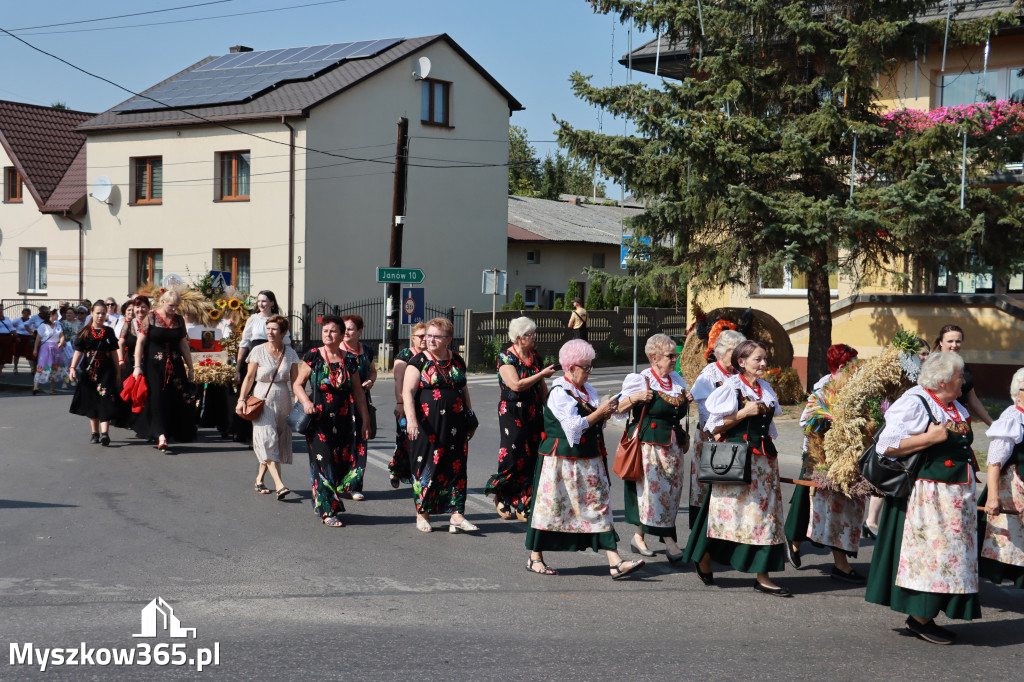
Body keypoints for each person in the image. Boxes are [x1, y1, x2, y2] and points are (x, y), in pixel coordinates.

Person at [864, 352, 979, 645]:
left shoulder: (952, 405)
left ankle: (929, 615)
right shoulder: (916, 402)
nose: (964, 380)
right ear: (941, 381)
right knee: (932, 557)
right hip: (929, 498)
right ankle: (920, 617)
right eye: (959, 376)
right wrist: (929, 439)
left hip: (955, 497)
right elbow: (887, 446)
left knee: (950, 557)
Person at [524, 339, 644, 578]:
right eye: (585, 367)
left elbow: (594, 422)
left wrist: (605, 413)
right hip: (561, 461)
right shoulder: (559, 393)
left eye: (591, 367)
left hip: (590, 458)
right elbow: (572, 427)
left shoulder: (587, 390)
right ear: (570, 368)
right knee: (551, 509)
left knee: (598, 506)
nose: (589, 372)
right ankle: (535, 557)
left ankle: (615, 561)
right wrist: (599, 412)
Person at [682, 340, 790, 596]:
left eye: (764, 359)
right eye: (757, 359)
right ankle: (704, 555)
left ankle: (762, 575)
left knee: (766, 517)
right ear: (741, 362)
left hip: (764, 464)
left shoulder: (766, 388)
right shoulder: (731, 387)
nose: (763, 364)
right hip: (737, 462)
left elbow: (769, 428)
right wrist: (743, 413)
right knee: (725, 515)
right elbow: (713, 427)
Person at [783, 344, 866, 583]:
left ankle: (797, 542)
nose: (858, 369)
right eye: (853, 364)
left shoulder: (858, 389)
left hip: (851, 459)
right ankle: (841, 565)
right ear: (841, 367)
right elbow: (806, 422)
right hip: (825, 459)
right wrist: (830, 421)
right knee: (830, 510)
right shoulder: (824, 390)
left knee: (842, 511)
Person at [615, 333, 693, 561]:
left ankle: (638, 537)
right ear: (654, 358)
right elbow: (617, 409)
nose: (674, 359)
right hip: (649, 447)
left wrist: (687, 398)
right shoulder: (641, 379)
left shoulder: (677, 380)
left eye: (675, 354)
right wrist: (636, 397)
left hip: (673, 448)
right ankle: (670, 543)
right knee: (652, 496)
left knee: (670, 495)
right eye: (670, 355)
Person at [292, 315, 371, 527]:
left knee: (338, 464)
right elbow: (297, 384)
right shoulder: (314, 356)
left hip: (344, 420)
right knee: (323, 461)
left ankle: (322, 502)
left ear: (341, 334)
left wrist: (365, 422)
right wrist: (306, 402)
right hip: (319, 420)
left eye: (332, 331)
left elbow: (359, 394)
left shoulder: (350, 360)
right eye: (325, 331)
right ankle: (328, 511)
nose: (328, 334)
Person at [403, 317, 478, 534]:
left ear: (448, 339)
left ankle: (457, 514)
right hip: (428, 424)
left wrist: (470, 417)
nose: (430, 340)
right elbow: (408, 392)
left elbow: (463, 389)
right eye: (428, 336)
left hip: (456, 424)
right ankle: (422, 514)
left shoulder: (457, 360)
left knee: (456, 468)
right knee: (427, 466)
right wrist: (412, 420)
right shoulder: (418, 361)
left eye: (436, 336)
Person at [485, 316, 556, 521]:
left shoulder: (535, 356)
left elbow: (541, 387)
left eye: (533, 334)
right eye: (529, 334)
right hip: (512, 410)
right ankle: (503, 496)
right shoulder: (506, 357)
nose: (533, 337)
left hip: (533, 409)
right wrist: (541, 374)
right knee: (513, 454)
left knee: (533, 454)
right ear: (518, 338)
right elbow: (516, 385)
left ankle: (524, 500)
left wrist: (550, 411)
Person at [236, 315, 301, 500]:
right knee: (267, 440)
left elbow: (296, 381)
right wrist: (241, 399)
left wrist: (298, 401)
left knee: (276, 444)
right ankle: (280, 486)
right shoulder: (257, 350)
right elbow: (249, 378)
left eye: (274, 329)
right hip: (261, 399)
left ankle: (259, 479)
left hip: (283, 402)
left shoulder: (290, 354)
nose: (270, 332)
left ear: (284, 333)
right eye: (268, 328)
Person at [689, 329, 745, 528]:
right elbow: (705, 412)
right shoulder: (710, 374)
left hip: (734, 438)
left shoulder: (740, 374)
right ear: (722, 351)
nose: (740, 356)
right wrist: (723, 428)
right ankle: (703, 534)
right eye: (735, 351)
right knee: (706, 487)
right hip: (711, 440)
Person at [132, 290, 197, 452]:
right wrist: (137, 366)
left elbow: (183, 344)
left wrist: (190, 367)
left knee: (178, 397)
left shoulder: (179, 320)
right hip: (154, 366)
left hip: (175, 365)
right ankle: (160, 435)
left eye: (176, 306)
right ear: (162, 302)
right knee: (157, 398)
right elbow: (140, 342)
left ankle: (173, 430)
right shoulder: (151, 317)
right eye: (171, 305)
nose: (174, 308)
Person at [978, 367, 1024, 589]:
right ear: (1018, 392)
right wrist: (993, 498)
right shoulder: (1012, 417)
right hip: (1013, 491)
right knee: (1010, 545)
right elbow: (994, 463)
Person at [233, 290, 291, 445]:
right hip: (254, 357)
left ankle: (266, 435)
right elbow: (244, 343)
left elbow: (287, 343)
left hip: (272, 360)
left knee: (267, 397)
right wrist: (238, 368)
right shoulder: (253, 319)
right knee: (250, 396)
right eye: (259, 301)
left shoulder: (279, 321)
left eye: (264, 301)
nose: (261, 304)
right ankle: (248, 434)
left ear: (272, 303)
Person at [68, 302, 120, 445]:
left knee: (105, 399)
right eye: (98, 313)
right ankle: (94, 433)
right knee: (93, 401)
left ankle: (105, 434)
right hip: (89, 372)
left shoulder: (109, 331)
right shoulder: (85, 331)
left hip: (106, 371)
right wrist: (72, 367)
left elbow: (114, 352)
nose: (100, 316)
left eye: (103, 313)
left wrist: (118, 372)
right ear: (92, 313)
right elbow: (78, 352)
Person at [341, 314, 377, 501]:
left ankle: (355, 485)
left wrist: (371, 381)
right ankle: (339, 483)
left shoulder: (367, 350)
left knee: (360, 444)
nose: (346, 332)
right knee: (341, 444)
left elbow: (372, 370)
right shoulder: (337, 350)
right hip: (340, 404)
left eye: (350, 329)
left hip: (361, 401)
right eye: (344, 328)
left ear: (360, 332)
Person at [389, 322, 428, 488]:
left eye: (427, 336)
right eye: (420, 336)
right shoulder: (405, 355)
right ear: (413, 338)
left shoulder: (430, 355)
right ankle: (396, 469)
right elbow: (399, 381)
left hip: (425, 405)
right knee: (404, 438)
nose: (424, 339)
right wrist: (400, 403)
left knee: (422, 440)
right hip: (406, 403)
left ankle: (418, 474)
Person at [933, 324, 992, 426]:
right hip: (942, 420)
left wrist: (991, 423)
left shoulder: (962, 365)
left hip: (962, 418)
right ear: (941, 342)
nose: (954, 345)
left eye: (958, 341)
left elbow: (972, 399)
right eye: (950, 341)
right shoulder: (934, 365)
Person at [115, 295, 150, 430]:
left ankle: (144, 423)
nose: (140, 310)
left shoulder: (152, 322)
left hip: (148, 362)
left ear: (148, 309)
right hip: (131, 363)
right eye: (137, 307)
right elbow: (121, 342)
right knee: (129, 392)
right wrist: (120, 360)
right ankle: (131, 421)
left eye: (143, 307)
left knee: (145, 393)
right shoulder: (129, 324)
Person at [32, 308, 68, 395]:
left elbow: (61, 335)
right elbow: (38, 338)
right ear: (51, 315)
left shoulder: (58, 325)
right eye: (56, 314)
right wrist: (35, 349)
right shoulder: (43, 326)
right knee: (42, 366)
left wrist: (61, 342)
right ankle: (35, 387)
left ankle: (52, 389)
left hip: (55, 349)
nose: (57, 316)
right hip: (45, 348)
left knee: (54, 367)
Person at [13, 308, 36, 373]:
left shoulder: (31, 321)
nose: (26, 314)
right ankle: (15, 368)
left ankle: (32, 369)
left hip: (28, 338)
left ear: (29, 314)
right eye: (25, 313)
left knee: (29, 353)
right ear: (22, 313)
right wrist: (15, 334)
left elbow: (34, 328)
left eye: (28, 313)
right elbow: (10, 327)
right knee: (17, 353)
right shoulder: (17, 320)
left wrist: (32, 332)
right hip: (19, 338)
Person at [0, 309, 19, 377]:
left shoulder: (7, 318)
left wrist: (16, 336)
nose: (1, 311)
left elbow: (11, 328)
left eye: (1, 309)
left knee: (4, 354)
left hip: (7, 338)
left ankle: (0, 370)